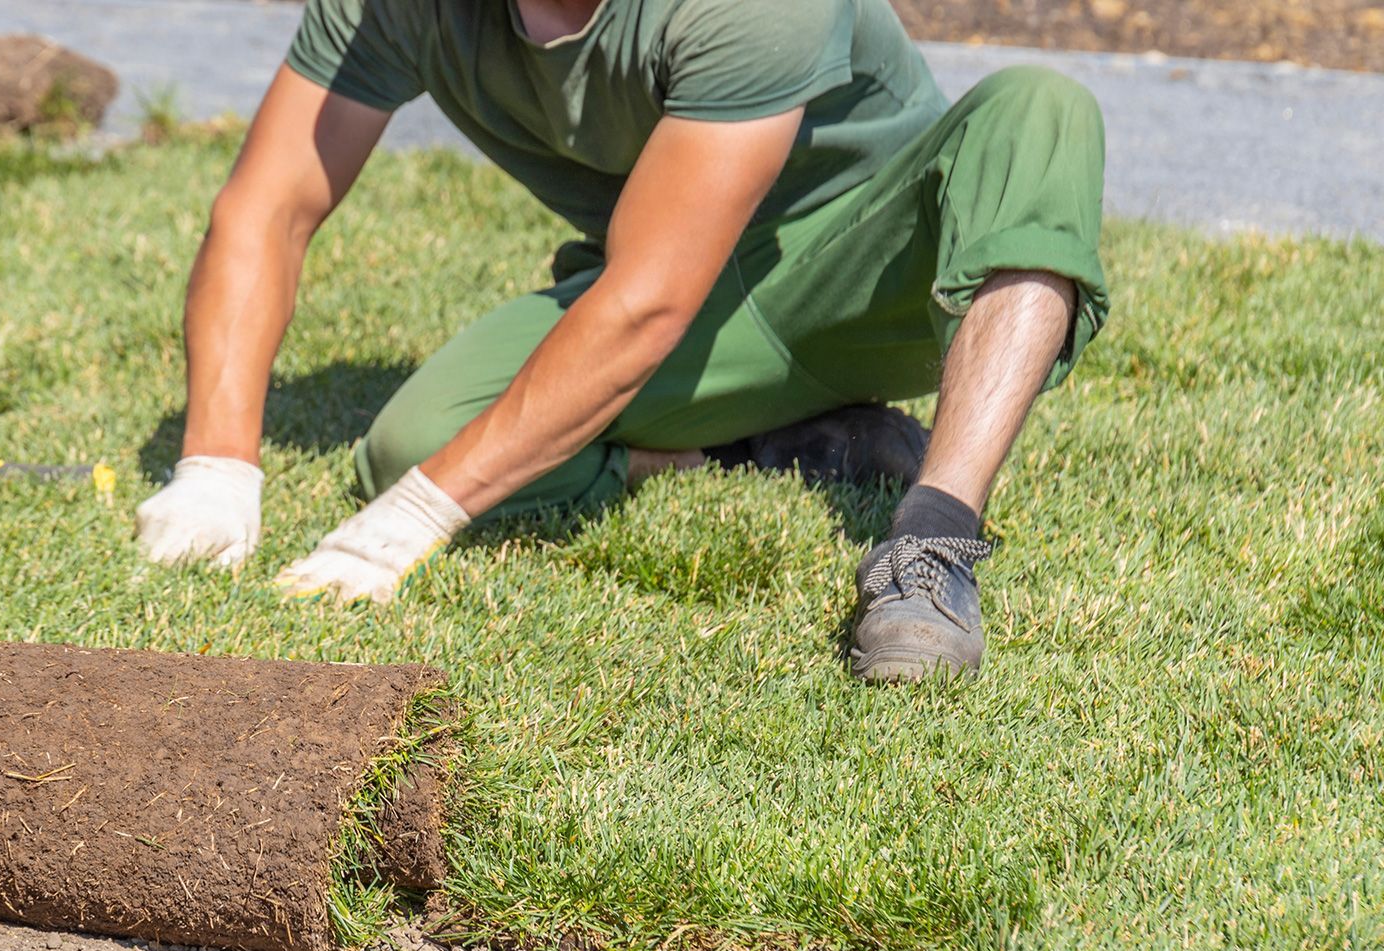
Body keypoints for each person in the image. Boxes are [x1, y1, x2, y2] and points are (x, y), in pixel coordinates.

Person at [134, 0, 1109, 683]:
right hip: (684, 283)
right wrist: (216, 463)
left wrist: (417, 520)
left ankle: (930, 543)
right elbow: (269, 203)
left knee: (1039, 112)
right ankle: (776, 444)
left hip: (874, 275)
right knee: (412, 440)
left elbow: (647, 303)